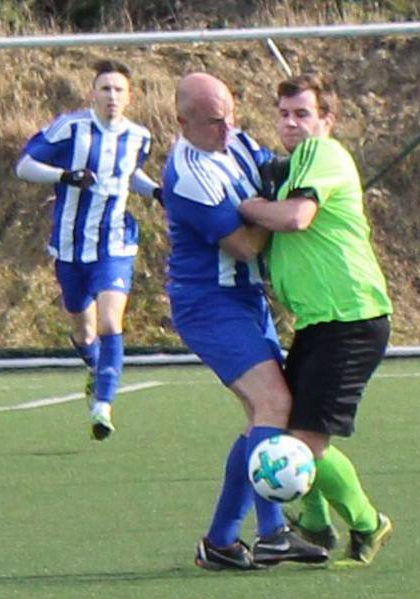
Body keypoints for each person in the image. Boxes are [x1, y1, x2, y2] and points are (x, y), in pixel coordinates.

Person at [162, 72, 328, 570]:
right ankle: (273, 533)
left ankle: (220, 541)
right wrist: (274, 212)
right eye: (215, 121)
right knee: (274, 402)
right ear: (182, 122)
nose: (228, 127)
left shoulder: (234, 139)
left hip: (244, 298)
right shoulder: (188, 174)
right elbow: (245, 244)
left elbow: (270, 169)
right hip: (209, 304)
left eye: (232, 113)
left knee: (264, 415)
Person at [239, 72, 394, 565]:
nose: (291, 123)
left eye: (303, 113)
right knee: (286, 431)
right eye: (284, 114)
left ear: (328, 120)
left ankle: (368, 522)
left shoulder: (322, 154)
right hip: (320, 322)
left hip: (351, 317)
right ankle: (316, 525)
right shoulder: (292, 164)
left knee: (301, 445)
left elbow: (296, 218)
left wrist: (245, 206)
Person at [15, 59, 161, 441]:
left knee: (112, 322)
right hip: (70, 246)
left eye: (119, 90)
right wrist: (65, 176)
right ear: (93, 93)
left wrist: (158, 192)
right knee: (83, 331)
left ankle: (103, 406)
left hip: (115, 243)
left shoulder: (139, 137)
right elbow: (24, 166)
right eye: (105, 89)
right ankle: (95, 367)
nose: (112, 96)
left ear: (130, 97)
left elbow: (132, 174)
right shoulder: (72, 128)